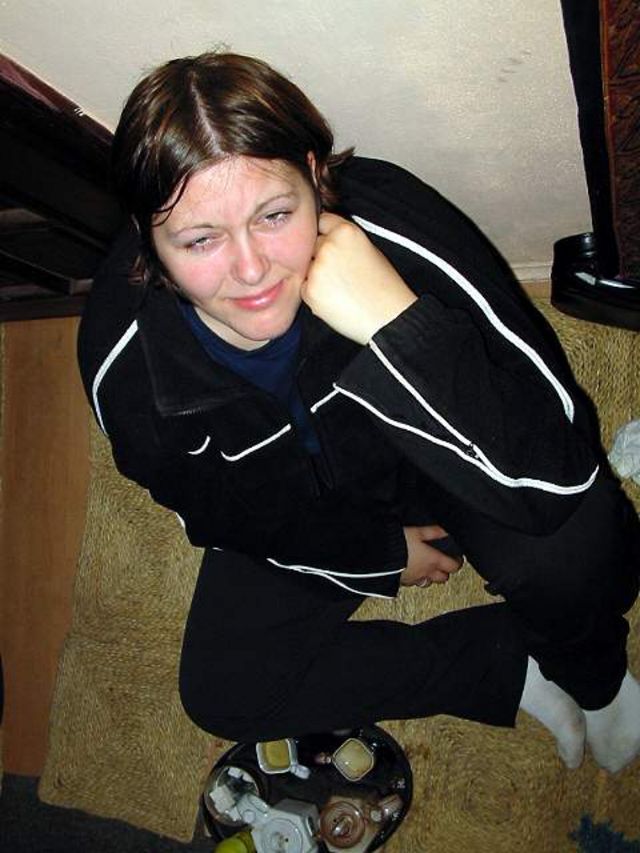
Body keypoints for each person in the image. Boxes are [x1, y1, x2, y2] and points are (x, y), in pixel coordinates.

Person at [78, 51, 640, 774]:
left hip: (439, 443)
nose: (251, 270)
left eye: (275, 215)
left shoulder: (397, 227)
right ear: (148, 244)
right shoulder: (121, 365)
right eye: (200, 239)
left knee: (577, 550)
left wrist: (394, 326)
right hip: (305, 511)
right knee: (224, 689)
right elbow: (220, 516)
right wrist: (375, 557)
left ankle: (594, 676)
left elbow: (557, 470)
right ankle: (504, 664)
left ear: (316, 180)